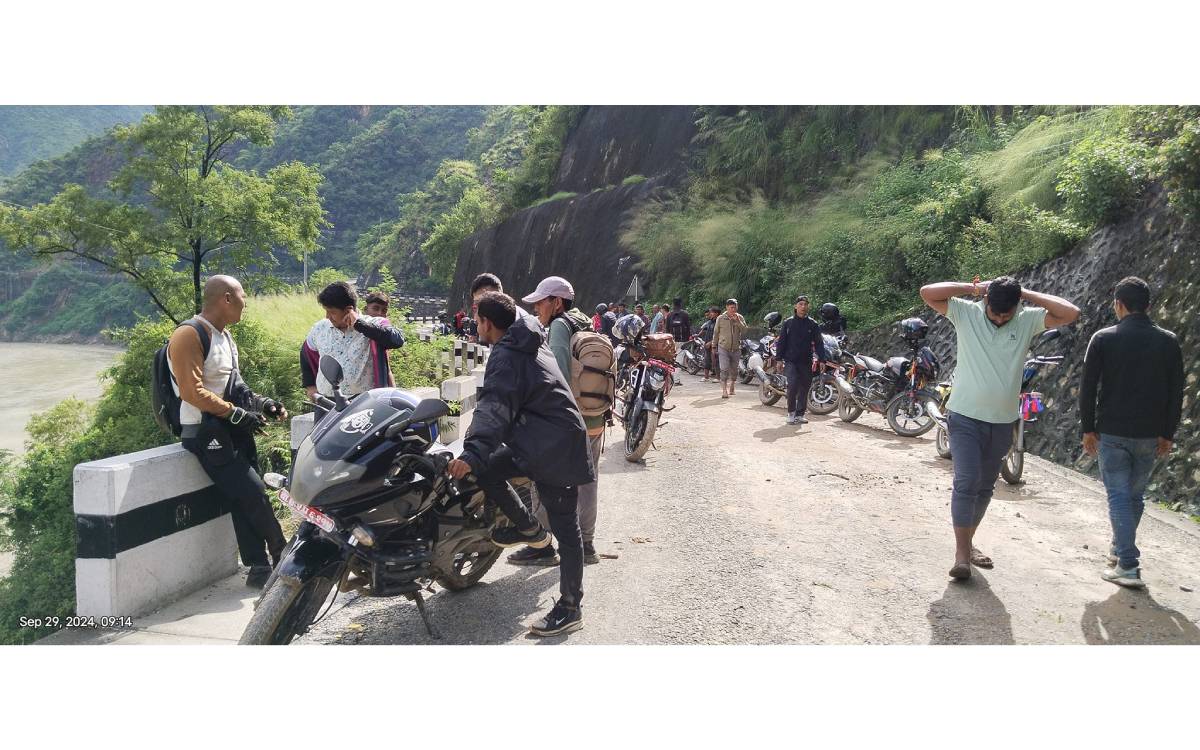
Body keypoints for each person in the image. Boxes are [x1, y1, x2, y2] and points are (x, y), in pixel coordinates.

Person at [447, 291, 594, 637]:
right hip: (535, 441)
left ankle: (570, 607)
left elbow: (494, 408)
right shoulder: (526, 336)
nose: (475, 326)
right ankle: (529, 529)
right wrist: (478, 457)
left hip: (556, 448)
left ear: (487, 323)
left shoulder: (509, 355)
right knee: (488, 467)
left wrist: (471, 452)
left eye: (477, 320)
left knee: (566, 529)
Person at [920, 276, 1079, 581]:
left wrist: (1025, 293)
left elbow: (1070, 313)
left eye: (1008, 314)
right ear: (986, 302)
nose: (1001, 319)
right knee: (967, 481)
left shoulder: (1027, 320)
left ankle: (968, 543)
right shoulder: (966, 312)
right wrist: (973, 288)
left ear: (1017, 306)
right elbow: (928, 293)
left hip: (1003, 421)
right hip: (964, 416)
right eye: (996, 313)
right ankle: (962, 556)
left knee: (985, 487)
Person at [167, 275, 290, 588]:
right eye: (243, 296)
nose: (246, 302)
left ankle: (258, 568)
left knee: (242, 498)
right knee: (254, 492)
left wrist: (264, 405)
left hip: (232, 429)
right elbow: (191, 392)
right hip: (206, 433)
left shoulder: (225, 337)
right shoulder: (188, 334)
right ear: (226, 298)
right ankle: (283, 556)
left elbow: (236, 387)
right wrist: (235, 414)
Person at [1080, 276, 1184, 588]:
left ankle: (1127, 564)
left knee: (1119, 496)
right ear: (1148, 306)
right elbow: (1175, 393)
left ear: (1118, 305)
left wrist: (1088, 428)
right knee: (1133, 497)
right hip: (1150, 435)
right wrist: (1168, 433)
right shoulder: (1169, 341)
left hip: (1112, 432)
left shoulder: (1103, 338)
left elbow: (1088, 388)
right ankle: (1118, 550)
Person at [510, 275, 608, 567]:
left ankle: (541, 545)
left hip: (570, 420)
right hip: (595, 415)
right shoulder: (585, 321)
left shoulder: (559, 327)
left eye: (541, 301)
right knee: (588, 482)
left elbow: (558, 376)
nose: (537, 307)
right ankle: (586, 544)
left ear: (557, 302)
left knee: (543, 479)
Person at [301, 281, 405, 400]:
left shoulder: (373, 324)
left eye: (332, 312)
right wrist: (310, 386)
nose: (327, 317)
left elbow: (397, 340)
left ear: (348, 310)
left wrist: (360, 325)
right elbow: (305, 353)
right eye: (326, 311)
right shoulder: (320, 328)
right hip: (326, 401)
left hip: (364, 402)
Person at [775, 295, 827, 425]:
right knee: (792, 385)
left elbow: (819, 343)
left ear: (808, 306)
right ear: (796, 306)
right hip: (791, 360)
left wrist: (822, 360)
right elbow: (781, 342)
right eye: (801, 304)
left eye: (805, 304)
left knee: (804, 387)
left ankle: (800, 414)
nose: (803, 307)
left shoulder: (812, 324)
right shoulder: (788, 323)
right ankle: (791, 413)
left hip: (806, 361)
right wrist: (779, 359)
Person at [713, 298, 747, 398]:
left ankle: (732, 384)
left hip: (736, 348)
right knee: (724, 369)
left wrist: (737, 321)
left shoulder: (740, 317)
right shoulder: (720, 318)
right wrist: (714, 346)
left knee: (734, 370)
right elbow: (716, 333)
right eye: (731, 307)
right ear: (727, 307)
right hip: (723, 347)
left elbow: (745, 330)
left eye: (735, 307)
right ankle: (724, 390)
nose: (733, 309)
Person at [699, 305, 719, 382]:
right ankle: (706, 377)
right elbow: (704, 330)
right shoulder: (710, 322)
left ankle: (718, 377)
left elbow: (719, 334)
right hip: (707, 343)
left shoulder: (719, 322)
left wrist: (711, 342)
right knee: (707, 359)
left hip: (715, 344)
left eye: (711, 312)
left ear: (716, 313)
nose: (710, 314)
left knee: (715, 360)